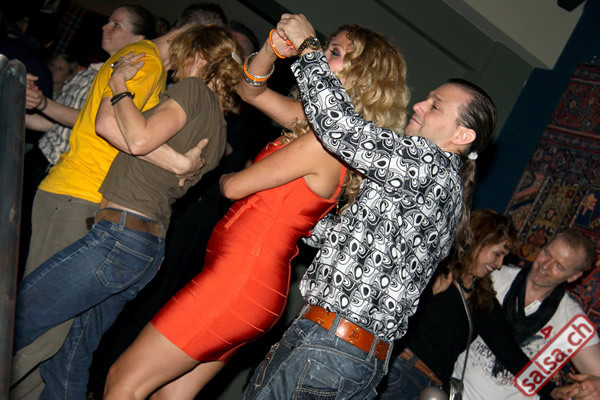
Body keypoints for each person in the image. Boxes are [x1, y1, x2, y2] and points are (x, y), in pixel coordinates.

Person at [102, 21, 409, 400]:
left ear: (361, 75)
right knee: (169, 396)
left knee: (123, 381)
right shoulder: (318, 128)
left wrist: (221, 171)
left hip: (240, 279)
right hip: (250, 286)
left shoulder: (321, 143)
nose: (319, 55)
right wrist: (270, 51)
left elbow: (233, 187)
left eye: (334, 52)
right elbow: (249, 90)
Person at [241, 14, 497, 399]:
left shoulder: (426, 163)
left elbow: (340, 129)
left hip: (331, 345)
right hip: (354, 356)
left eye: (436, 106)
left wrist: (310, 49)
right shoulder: (447, 190)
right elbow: (352, 242)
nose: (420, 105)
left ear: (462, 135)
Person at [14, 24, 242, 399]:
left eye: (181, 56)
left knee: (19, 317)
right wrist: (175, 161)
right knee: (68, 361)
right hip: (145, 250)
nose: (174, 67)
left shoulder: (193, 89)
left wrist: (118, 83)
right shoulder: (219, 127)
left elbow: (136, 138)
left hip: (119, 238)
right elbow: (142, 143)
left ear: (199, 56)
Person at [19, 4, 156, 281]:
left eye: (116, 24)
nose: (105, 27)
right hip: (42, 162)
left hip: (65, 175)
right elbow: (53, 124)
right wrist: (17, 100)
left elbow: (90, 121)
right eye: (108, 21)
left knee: (35, 263)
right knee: (19, 248)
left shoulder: (128, 78)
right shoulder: (93, 69)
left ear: (138, 39)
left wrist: (43, 103)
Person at [377, 209, 553, 399]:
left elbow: (508, 352)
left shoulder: (482, 297)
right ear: (478, 242)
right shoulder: (439, 269)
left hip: (432, 388)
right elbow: (388, 307)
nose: (499, 264)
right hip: (400, 371)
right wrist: (429, 293)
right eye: (497, 254)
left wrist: (550, 390)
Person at [453, 228, 600, 400]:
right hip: (451, 387)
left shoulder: (572, 323)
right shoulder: (493, 276)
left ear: (573, 276)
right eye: (547, 253)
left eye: (558, 266)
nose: (545, 266)